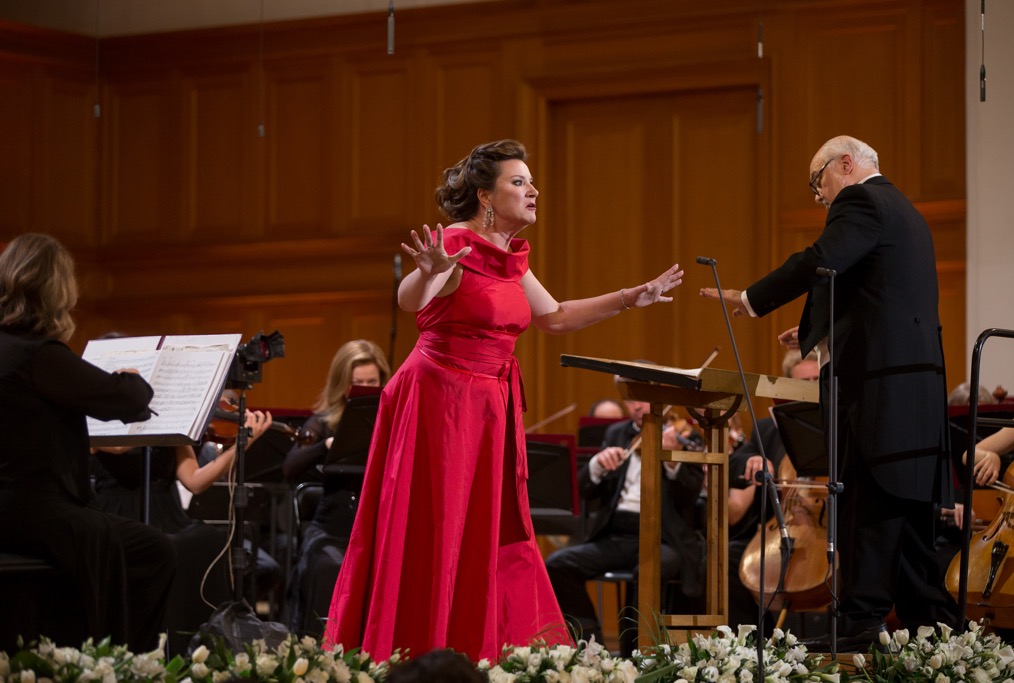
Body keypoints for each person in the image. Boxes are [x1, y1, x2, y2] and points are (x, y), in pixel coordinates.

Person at [323, 139, 684, 661]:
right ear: (485, 196)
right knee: (438, 528)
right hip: (440, 401)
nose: (533, 190)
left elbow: (555, 317)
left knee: (481, 531)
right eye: (519, 182)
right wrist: (428, 270)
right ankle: (423, 647)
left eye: (531, 181)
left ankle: (477, 646)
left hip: (488, 405)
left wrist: (631, 297)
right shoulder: (455, 241)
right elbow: (411, 301)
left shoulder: (511, 258)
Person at [699, 135, 956, 651]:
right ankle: (936, 636)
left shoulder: (862, 199)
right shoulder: (906, 212)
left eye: (818, 184)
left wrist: (751, 298)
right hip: (914, 390)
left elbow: (822, 260)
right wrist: (815, 334)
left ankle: (859, 625)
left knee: (868, 504)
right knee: (905, 518)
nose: (820, 197)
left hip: (879, 392)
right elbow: (879, 298)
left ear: (845, 164)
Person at [0, 233, 176, 652]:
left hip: (11, 509)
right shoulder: (40, 356)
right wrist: (133, 378)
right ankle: (119, 661)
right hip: (30, 511)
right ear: (57, 293)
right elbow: (126, 400)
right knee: (153, 551)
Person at [91, 406, 273, 654]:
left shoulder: (168, 419)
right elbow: (119, 446)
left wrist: (242, 445)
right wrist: (155, 419)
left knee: (208, 540)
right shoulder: (99, 415)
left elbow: (195, 481)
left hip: (168, 513)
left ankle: (198, 649)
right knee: (165, 546)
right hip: (119, 512)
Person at [545, 378, 705, 655]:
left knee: (646, 571)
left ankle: (633, 654)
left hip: (663, 538)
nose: (637, 406)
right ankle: (592, 648)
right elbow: (585, 490)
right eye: (631, 399)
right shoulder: (617, 433)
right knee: (558, 564)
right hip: (617, 534)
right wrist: (597, 465)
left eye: (643, 397)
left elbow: (689, 498)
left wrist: (672, 460)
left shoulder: (685, 436)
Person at [282, 339, 390, 637]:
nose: (365, 389)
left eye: (372, 382)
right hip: (332, 533)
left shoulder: (392, 419)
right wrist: (326, 446)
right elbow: (290, 468)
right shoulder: (323, 422)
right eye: (357, 383)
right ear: (342, 384)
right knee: (332, 567)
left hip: (379, 531)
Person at [726, 349, 819, 630]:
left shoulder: (842, 425)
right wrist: (753, 460)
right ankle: (750, 642)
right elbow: (735, 462)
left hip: (827, 528)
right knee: (728, 558)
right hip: (778, 528)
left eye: (817, 380)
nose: (811, 388)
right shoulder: (768, 429)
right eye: (803, 383)